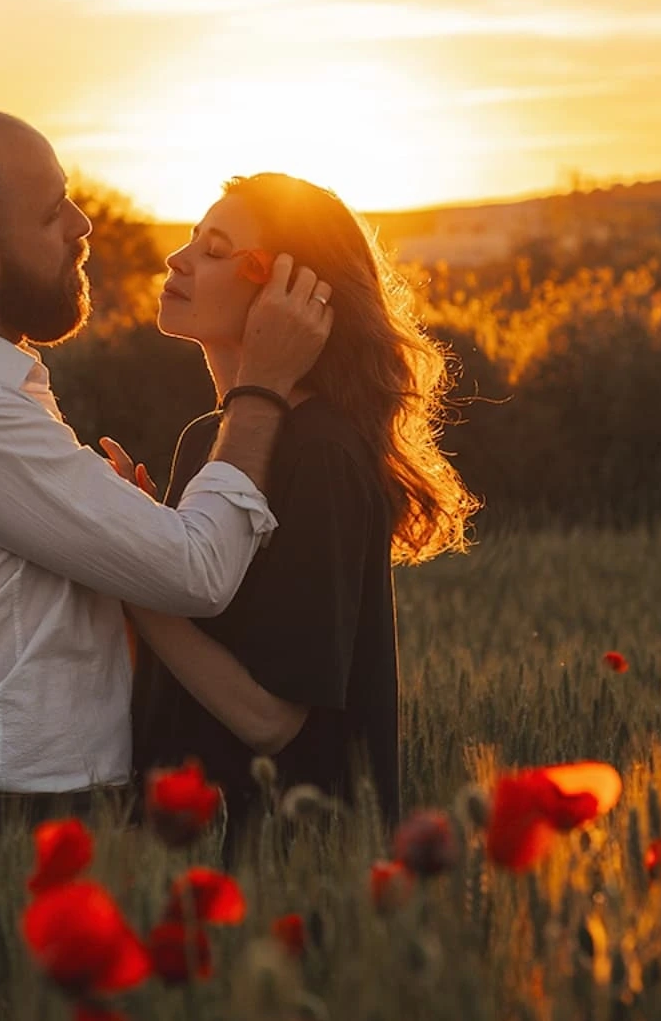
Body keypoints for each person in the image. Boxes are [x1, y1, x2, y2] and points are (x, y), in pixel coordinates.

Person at [0, 111, 333, 831]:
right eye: (52, 214)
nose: (82, 225)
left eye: (68, 196)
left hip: (12, 810)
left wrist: (124, 536)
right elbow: (198, 572)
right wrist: (260, 391)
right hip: (19, 822)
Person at [120, 172, 478, 839]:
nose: (178, 258)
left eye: (216, 248)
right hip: (192, 852)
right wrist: (137, 536)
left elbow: (269, 718)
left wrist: (129, 577)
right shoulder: (208, 441)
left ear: (289, 290)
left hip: (290, 867)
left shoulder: (322, 453)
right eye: (192, 239)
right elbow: (185, 655)